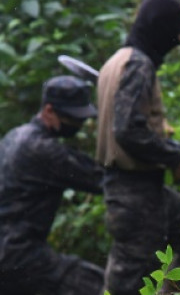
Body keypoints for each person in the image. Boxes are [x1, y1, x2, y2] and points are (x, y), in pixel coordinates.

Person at [96, 0, 180, 295]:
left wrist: (163, 138)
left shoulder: (117, 61)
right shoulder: (138, 65)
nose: (177, 42)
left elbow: (128, 124)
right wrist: (176, 158)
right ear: (159, 29)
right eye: (174, 35)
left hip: (143, 191)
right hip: (133, 194)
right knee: (127, 286)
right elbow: (127, 131)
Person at [0, 75, 104, 295]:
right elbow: (101, 178)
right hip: (20, 256)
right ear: (48, 111)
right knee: (106, 288)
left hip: (11, 254)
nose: (78, 124)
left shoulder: (14, 136)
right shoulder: (42, 150)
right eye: (73, 118)